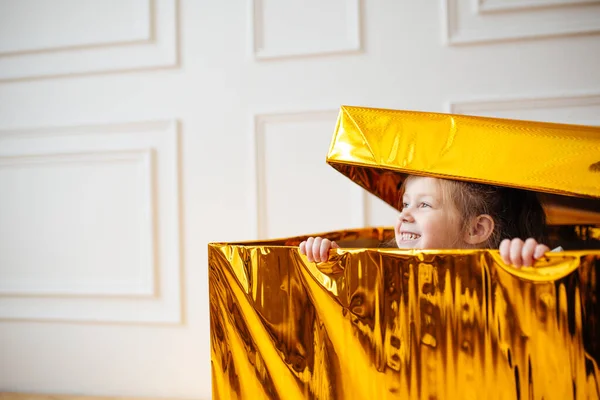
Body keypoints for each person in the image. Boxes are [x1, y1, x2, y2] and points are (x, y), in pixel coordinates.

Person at [299, 175, 551, 267]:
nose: (404, 215)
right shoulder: (386, 269)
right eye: (406, 203)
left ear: (476, 228)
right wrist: (330, 264)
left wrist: (530, 265)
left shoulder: (508, 271)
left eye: (424, 205)